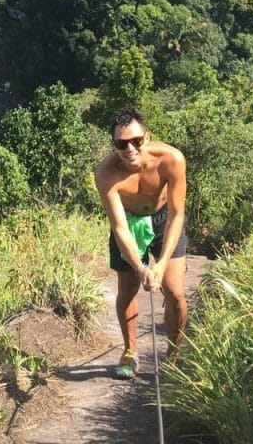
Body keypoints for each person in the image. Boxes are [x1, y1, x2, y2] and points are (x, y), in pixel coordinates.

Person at [93, 105, 188, 380]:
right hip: (131, 222)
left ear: (146, 138)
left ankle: (175, 353)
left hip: (164, 219)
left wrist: (161, 264)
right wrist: (141, 267)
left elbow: (177, 213)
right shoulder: (106, 174)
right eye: (122, 144)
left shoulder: (171, 159)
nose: (130, 149)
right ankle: (130, 352)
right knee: (128, 289)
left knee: (176, 294)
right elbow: (120, 227)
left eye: (136, 141)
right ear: (114, 145)